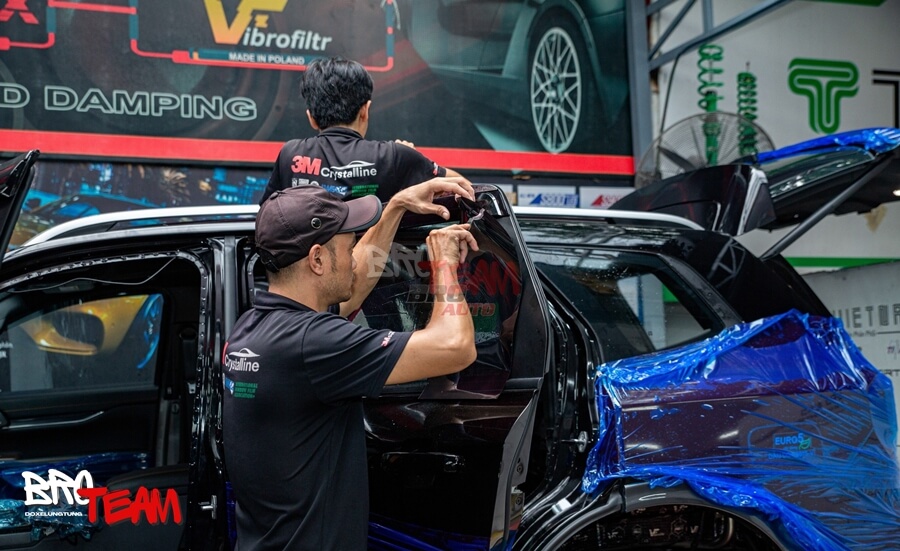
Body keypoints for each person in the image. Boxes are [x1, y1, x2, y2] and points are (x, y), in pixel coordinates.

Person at [223, 181, 479, 551]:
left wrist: (395, 209)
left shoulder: (253, 327)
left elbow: (354, 285)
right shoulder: (313, 343)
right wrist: (443, 263)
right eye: (348, 248)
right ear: (317, 260)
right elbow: (455, 347)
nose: (354, 259)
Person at [259, 56, 469, 204]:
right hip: (375, 256)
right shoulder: (395, 156)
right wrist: (414, 160)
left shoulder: (290, 154)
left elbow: (267, 213)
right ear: (365, 111)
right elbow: (464, 188)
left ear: (311, 118)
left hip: (306, 256)